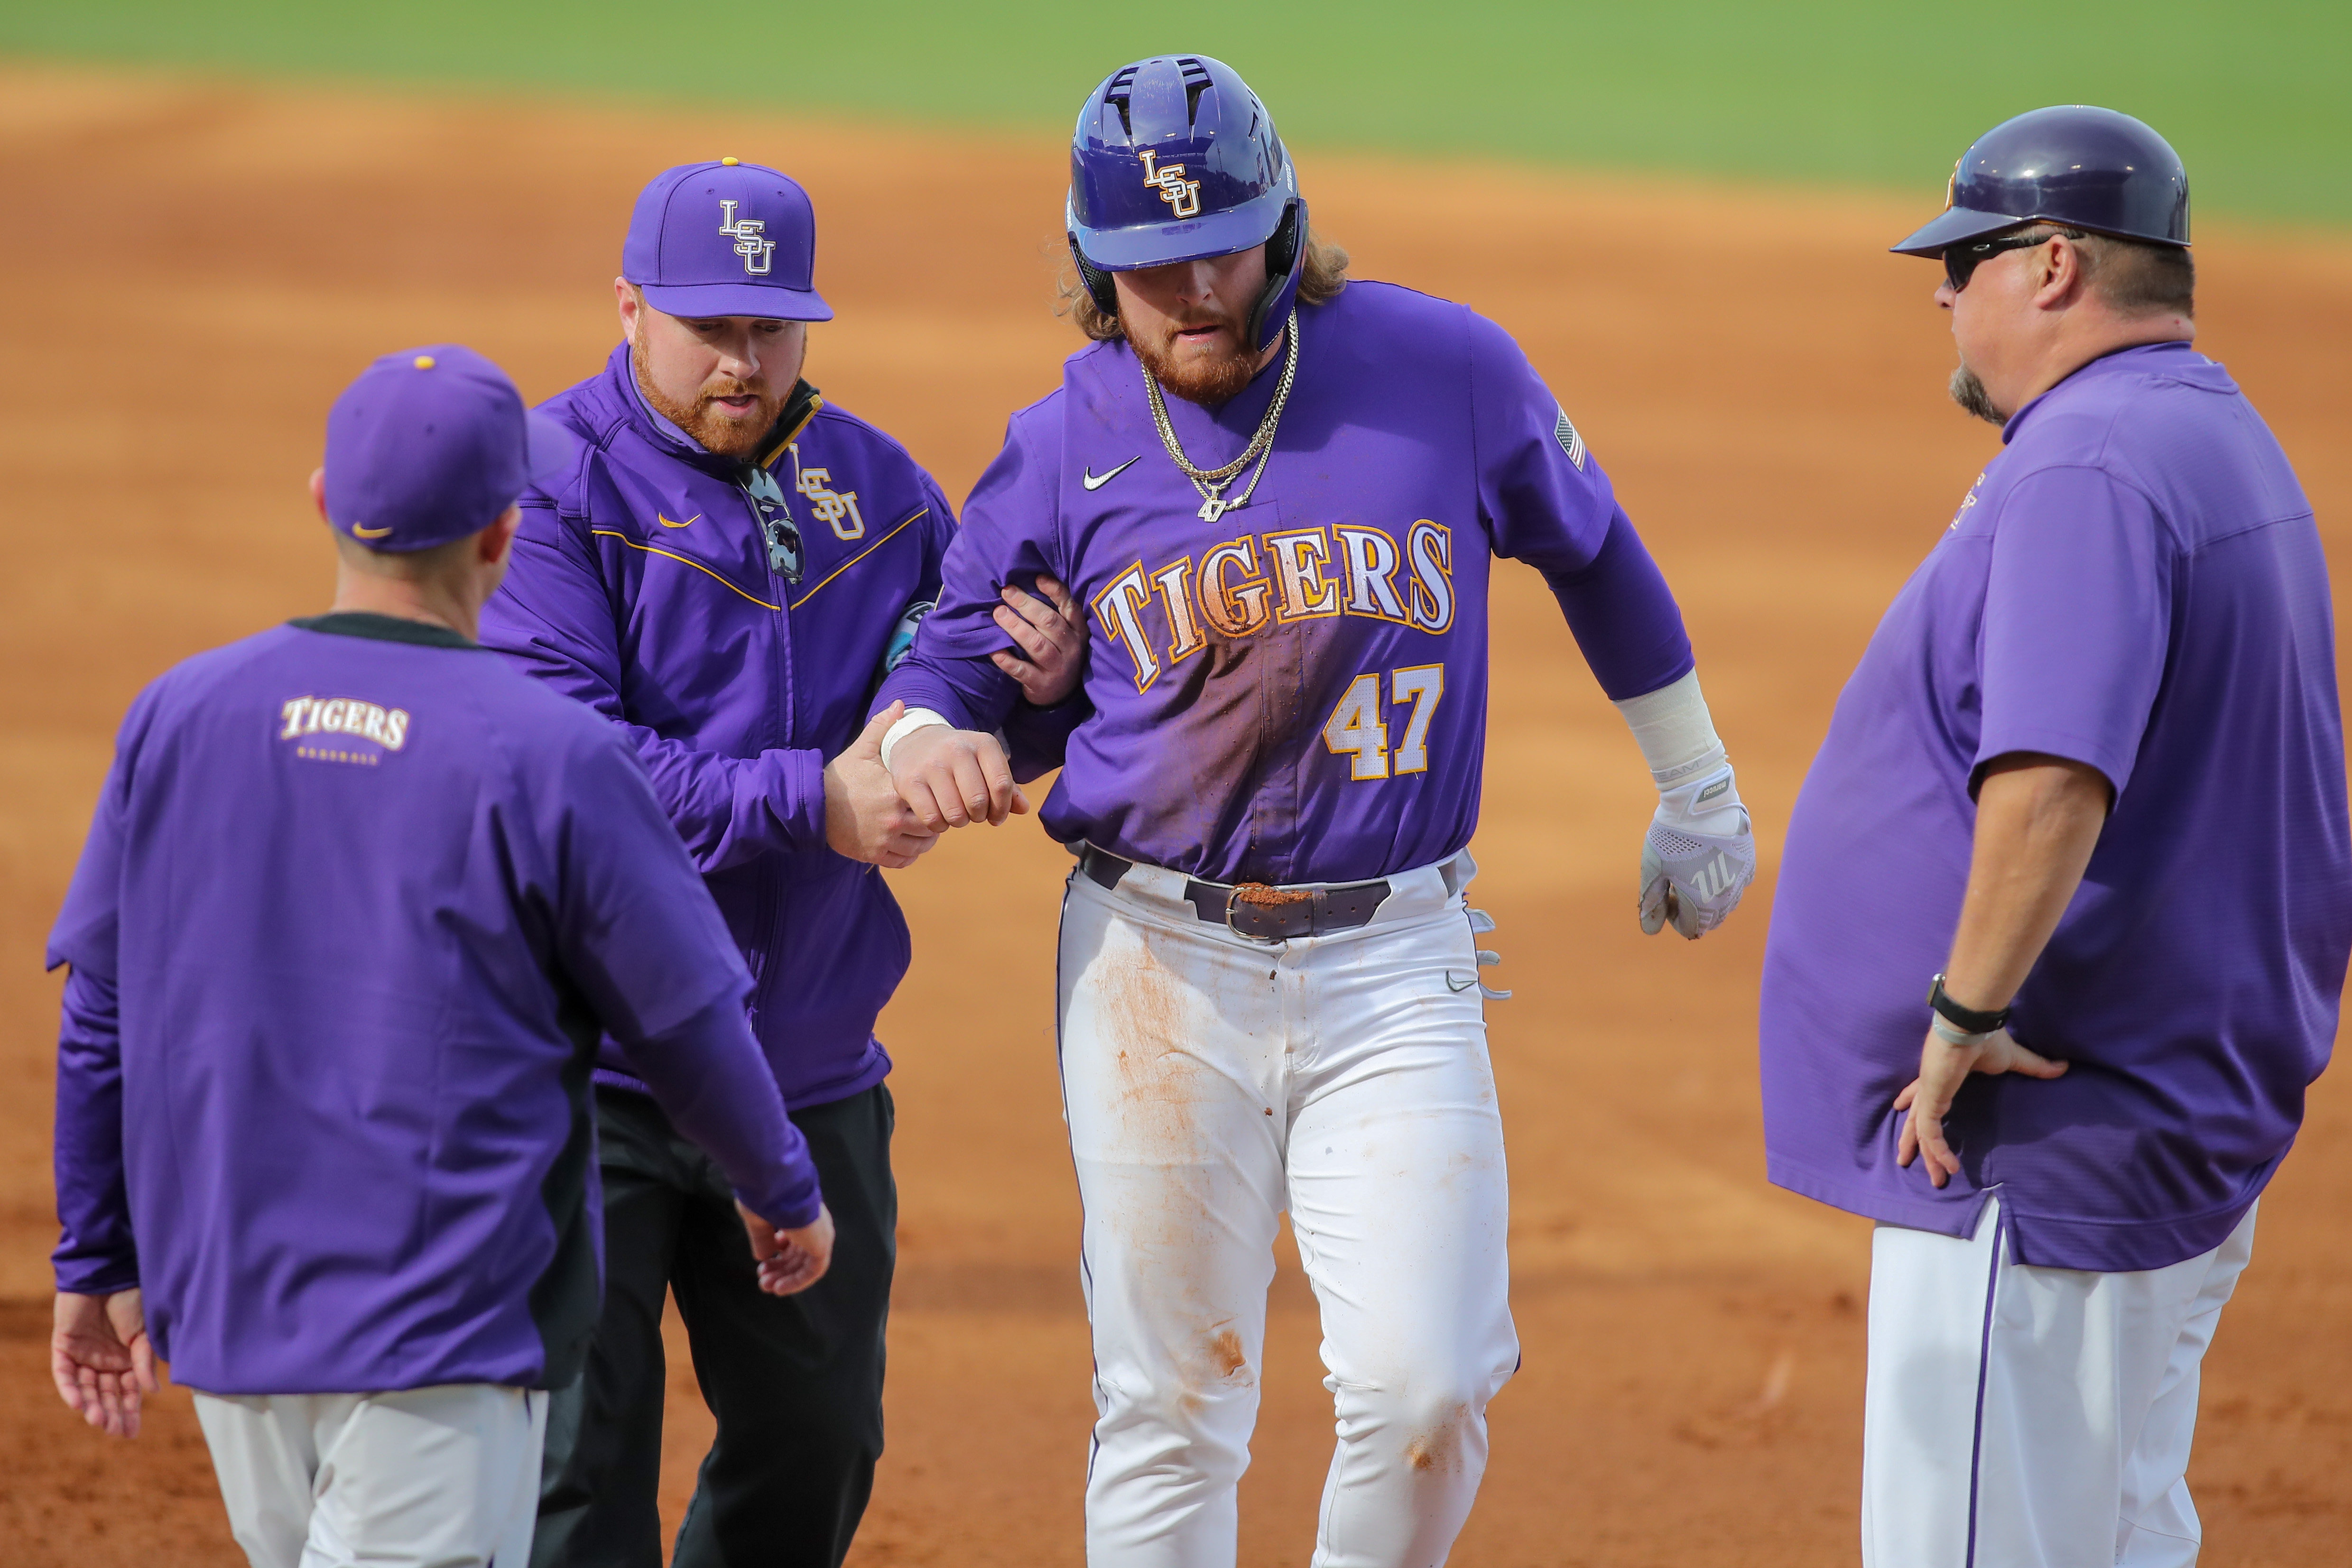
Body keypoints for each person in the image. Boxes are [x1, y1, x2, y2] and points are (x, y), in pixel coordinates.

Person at [875, 54, 1757, 1568]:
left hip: (1393, 960)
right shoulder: (1062, 438)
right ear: (1096, 272)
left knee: (1431, 1385)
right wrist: (921, 728)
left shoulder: (1447, 371)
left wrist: (1698, 784)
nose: (1193, 290)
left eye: (1222, 244)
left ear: (1287, 230)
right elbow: (956, 648)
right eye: (1150, 267)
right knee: (1167, 1402)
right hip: (1153, 963)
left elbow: (1596, 550)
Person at [46, 345, 832, 1568]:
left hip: (232, 1304)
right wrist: (779, 1187)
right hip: (447, 1317)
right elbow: (683, 1025)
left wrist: (97, 1254)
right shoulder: (553, 752)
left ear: (322, 501)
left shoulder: (180, 713)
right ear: (502, 534)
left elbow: (101, 1010)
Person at [1759, 105, 2351, 1568]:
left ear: (2057, 265)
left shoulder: (2089, 464)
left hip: (2042, 1148)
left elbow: (2052, 781)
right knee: (2116, 1530)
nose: (1941, 293)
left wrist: (1962, 1011)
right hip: (2164, 1107)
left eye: (1965, 258)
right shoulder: (2208, 429)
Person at [477, 158, 1088, 1567]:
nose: (743, 360)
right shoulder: (550, 486)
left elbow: (944, 694)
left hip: (809, 1067)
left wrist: (1039, 694)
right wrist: (815, 800)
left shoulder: (878, 491)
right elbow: (575, 771)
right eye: (709, 326)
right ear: (627, 305)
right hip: (597, 1076)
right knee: (577, 1474)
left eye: (772, 326)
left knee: (815, 1453)